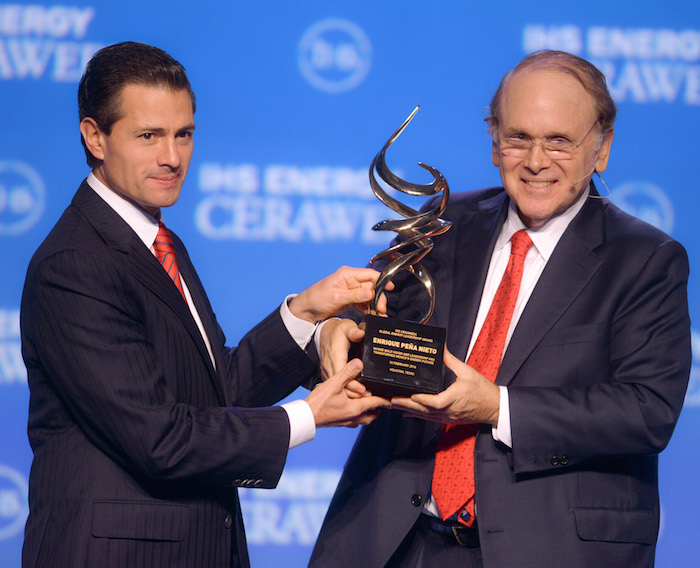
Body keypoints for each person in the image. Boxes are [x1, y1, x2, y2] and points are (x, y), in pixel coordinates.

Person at [310, 50, 691, 568]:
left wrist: (496, 406)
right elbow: (386, 323)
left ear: (601, 149)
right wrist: (339, 329)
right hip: (400, 540)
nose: (536, 161)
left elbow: (647, 412)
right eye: (518, 138)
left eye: (559, 142)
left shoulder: (645, 259)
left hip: (550, 547)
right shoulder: (444, 224)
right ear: (494, 142)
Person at [20, 41, 391, 568]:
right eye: (148, 136)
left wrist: (307, 310)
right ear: (94, 137)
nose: (171, 157)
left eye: (183, 134)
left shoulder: (157, 241)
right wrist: (307, 417)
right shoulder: (74, 263)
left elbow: (216, 395)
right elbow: (160, 439)